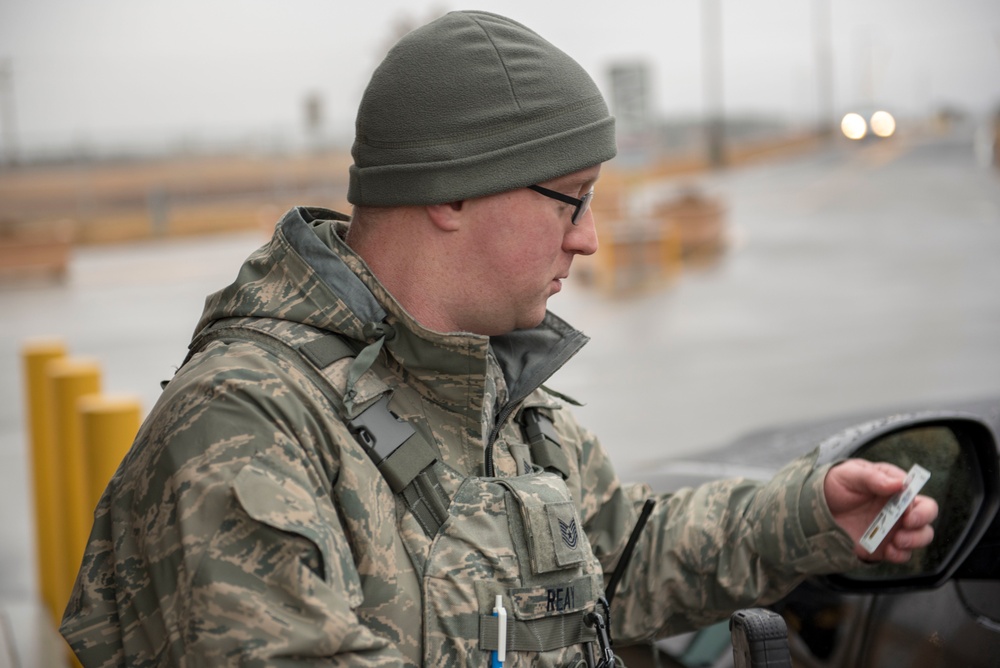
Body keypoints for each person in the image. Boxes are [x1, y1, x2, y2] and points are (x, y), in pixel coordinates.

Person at [60, 10, 937, 667]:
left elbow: (617, 558)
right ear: (453, 190)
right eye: (572, 197)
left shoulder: (492, 395)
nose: (588, 237)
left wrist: (809, 515)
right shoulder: (244, 425)